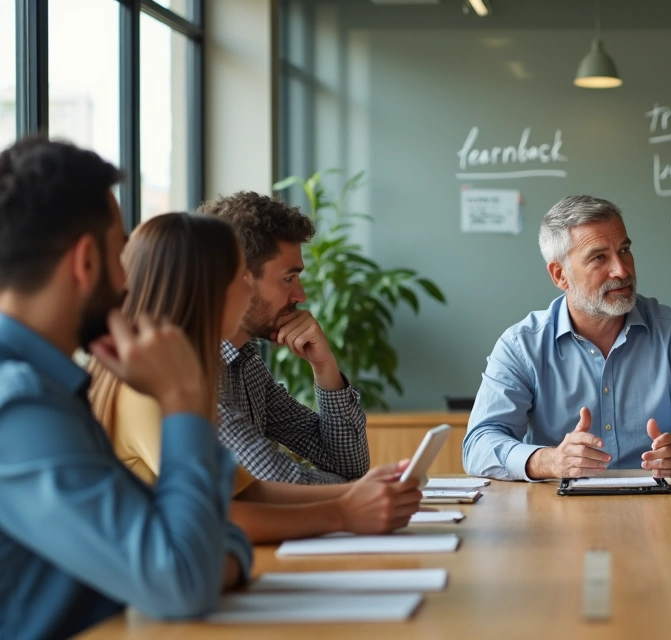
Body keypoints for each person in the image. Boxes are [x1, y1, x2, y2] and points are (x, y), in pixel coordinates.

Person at [0, 138, 251, 639]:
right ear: (86, 262)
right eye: (121, 256)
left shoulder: (51, 389)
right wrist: (184, 403)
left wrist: (207, 558)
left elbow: (209, 541)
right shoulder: (19, 405)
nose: (128, 283)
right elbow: (183, 578)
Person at [90, 213, 424, 544]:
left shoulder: (208, 368)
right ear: (209, 288)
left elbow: (248, 490)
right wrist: (345, 508)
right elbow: (222, 511)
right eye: (239, 278)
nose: (246, 291)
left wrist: (353, 495)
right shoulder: (153, 384)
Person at [462, 195, 671, 481]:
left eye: (624, 250)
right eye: (599, 257)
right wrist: (551, 461)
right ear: (560, 275)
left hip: (662, 510)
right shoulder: (521, 346)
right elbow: (478, 445)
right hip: (560, 513)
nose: (622, 271)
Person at [198, 192, 369, 484]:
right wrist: (362, 491)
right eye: (288, 279)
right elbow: (276, 482)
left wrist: (324, 366)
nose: (301, 296)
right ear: (238, 278)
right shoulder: (193, 368)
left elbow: (349, 465)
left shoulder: (246, 362)